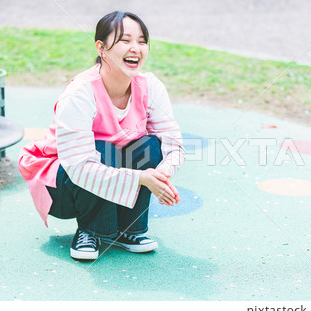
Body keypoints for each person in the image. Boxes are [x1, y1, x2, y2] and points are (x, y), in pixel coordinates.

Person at [18, 11, 185, 260]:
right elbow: (79, 166)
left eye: (141, 41)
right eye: (125, 40)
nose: (135, 48)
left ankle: (128, 230)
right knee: (103, 148)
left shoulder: (150, 86)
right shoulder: (81, 92)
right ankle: (90, 231)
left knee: (150, 146)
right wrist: (141, 178)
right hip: (62, 185)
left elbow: (173, 143)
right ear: (101, 47)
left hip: (110, 170)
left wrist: (160, 176)